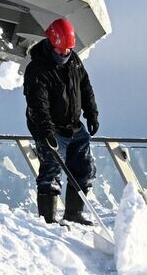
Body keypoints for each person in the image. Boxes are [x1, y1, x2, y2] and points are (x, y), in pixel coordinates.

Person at [23, 17, 100, 225]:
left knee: (84, 168)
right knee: (51, 170)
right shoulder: (37, 70)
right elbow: (38, 106)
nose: (65, 54)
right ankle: (47, 219)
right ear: (51, 43)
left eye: (68, 50)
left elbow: (85, 87)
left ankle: (74, 213)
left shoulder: (73, 60)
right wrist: (47, 132)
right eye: (61, 50)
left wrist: (91, 113)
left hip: (74, 125)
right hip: (51, 128)